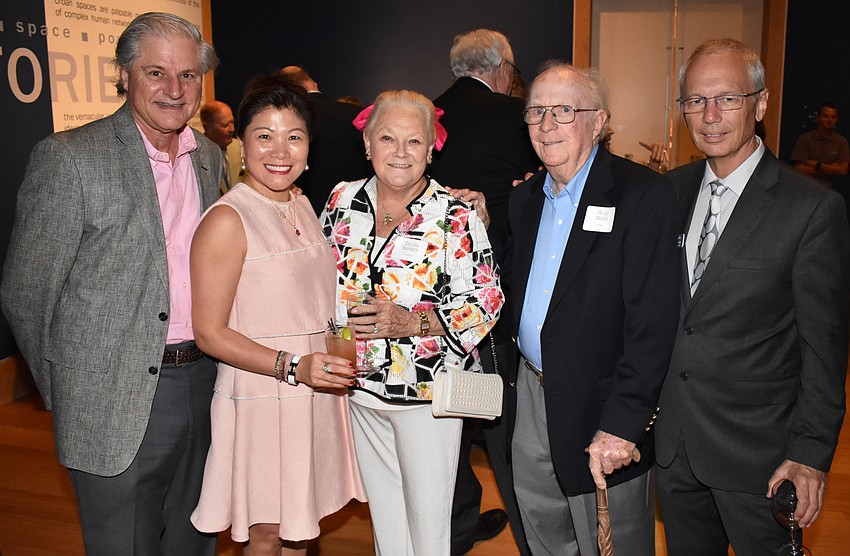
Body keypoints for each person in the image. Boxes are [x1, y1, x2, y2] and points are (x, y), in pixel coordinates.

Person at [1, 12, 222, 555]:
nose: (174, 90)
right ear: (124, 75)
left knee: (196, 539)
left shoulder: (209, 158)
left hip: (205, 381)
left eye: (188, 75)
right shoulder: (69, 157)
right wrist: (72, 392)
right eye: (156, 73)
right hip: (112, 399)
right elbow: (26, 294)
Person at [655, 39, 850, 554]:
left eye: (727, 99)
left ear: (760, 104)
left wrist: (810, 454)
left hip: (761, 459)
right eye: (695, 100)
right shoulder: (668, 193)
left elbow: (824, 349)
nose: (709, 116)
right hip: (675, 448)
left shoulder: (810, 208)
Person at [501, 62, 679, 555]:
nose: (546, 125)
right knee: (542, 532)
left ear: (598, 122)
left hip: (603, 407)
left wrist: (623, 423)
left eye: (564, 110)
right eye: (536, 111)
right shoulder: (525, 200)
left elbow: (654, 325)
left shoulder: (642, 195)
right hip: (533, 395)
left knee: (612, 543)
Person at [321, 89, 504, 556]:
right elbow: (316, 276)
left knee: (428, 530)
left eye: (414, 141)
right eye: (387, 138)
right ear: (367, 143)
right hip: (359, 392)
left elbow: (487, 300)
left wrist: (412, 322)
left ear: (431, 149)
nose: (400, 152)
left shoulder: (454, 214)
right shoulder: (342, 199)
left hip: (426, 398)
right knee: (386, 522)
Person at [189, 74, 366, 555]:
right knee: (267, 532)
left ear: (309, 146)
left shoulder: (301, 203)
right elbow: (209, 332)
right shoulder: (228, 219)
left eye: (294, 137)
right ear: (241, 144)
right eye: (264, 136)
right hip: (263, 393)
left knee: (300, 523)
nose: (280, 151)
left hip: (314, 388)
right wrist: (293, 367)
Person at [429, 27, 540, 556]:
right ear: (501, 70)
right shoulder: (515, 117)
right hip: (494, 291)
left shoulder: (428, 114)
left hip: (428, 294)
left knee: (441, 413)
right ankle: (533, 535)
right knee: (505, 422)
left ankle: (455, 525)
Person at [279, 65, 371, 215]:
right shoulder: (357, 115)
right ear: (314, 84)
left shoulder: (290, 118)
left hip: (303, 211)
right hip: (356, 211)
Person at [791, 102, 849, 188]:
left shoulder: (841, 141)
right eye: (825, 116)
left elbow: (843, 170)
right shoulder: (805, 139)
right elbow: (799, 169)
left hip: (830, 189)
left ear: (837, 120)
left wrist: (817, 165)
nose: (829, 120)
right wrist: (831, 169)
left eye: (833, 117)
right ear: (818, 117)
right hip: (807, 187)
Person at [200, 99, 242, 194]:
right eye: (225, 125)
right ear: (207, 127)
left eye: (232, 122)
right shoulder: (198, 156)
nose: (232, 129)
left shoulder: (238, 147)